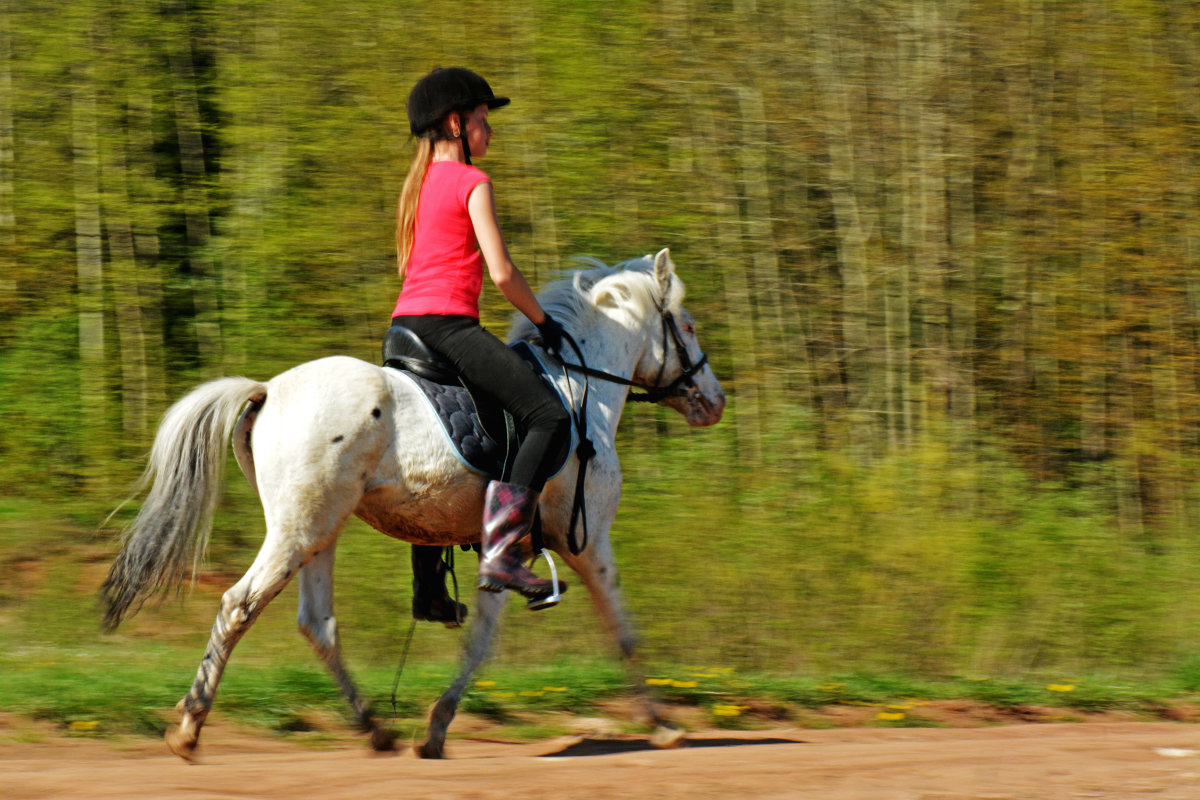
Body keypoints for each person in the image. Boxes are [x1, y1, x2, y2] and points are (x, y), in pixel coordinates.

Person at [391, 67, 571, 625]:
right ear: (455, 124)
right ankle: (502, 551)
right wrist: (544, 322)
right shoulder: (474, 183)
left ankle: (428, 589)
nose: (489, 132)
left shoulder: (417, 187)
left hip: (402, 330)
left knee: (428, 452)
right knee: (547, 415)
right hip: (448, 329)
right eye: (483, 120)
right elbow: (502, 273)